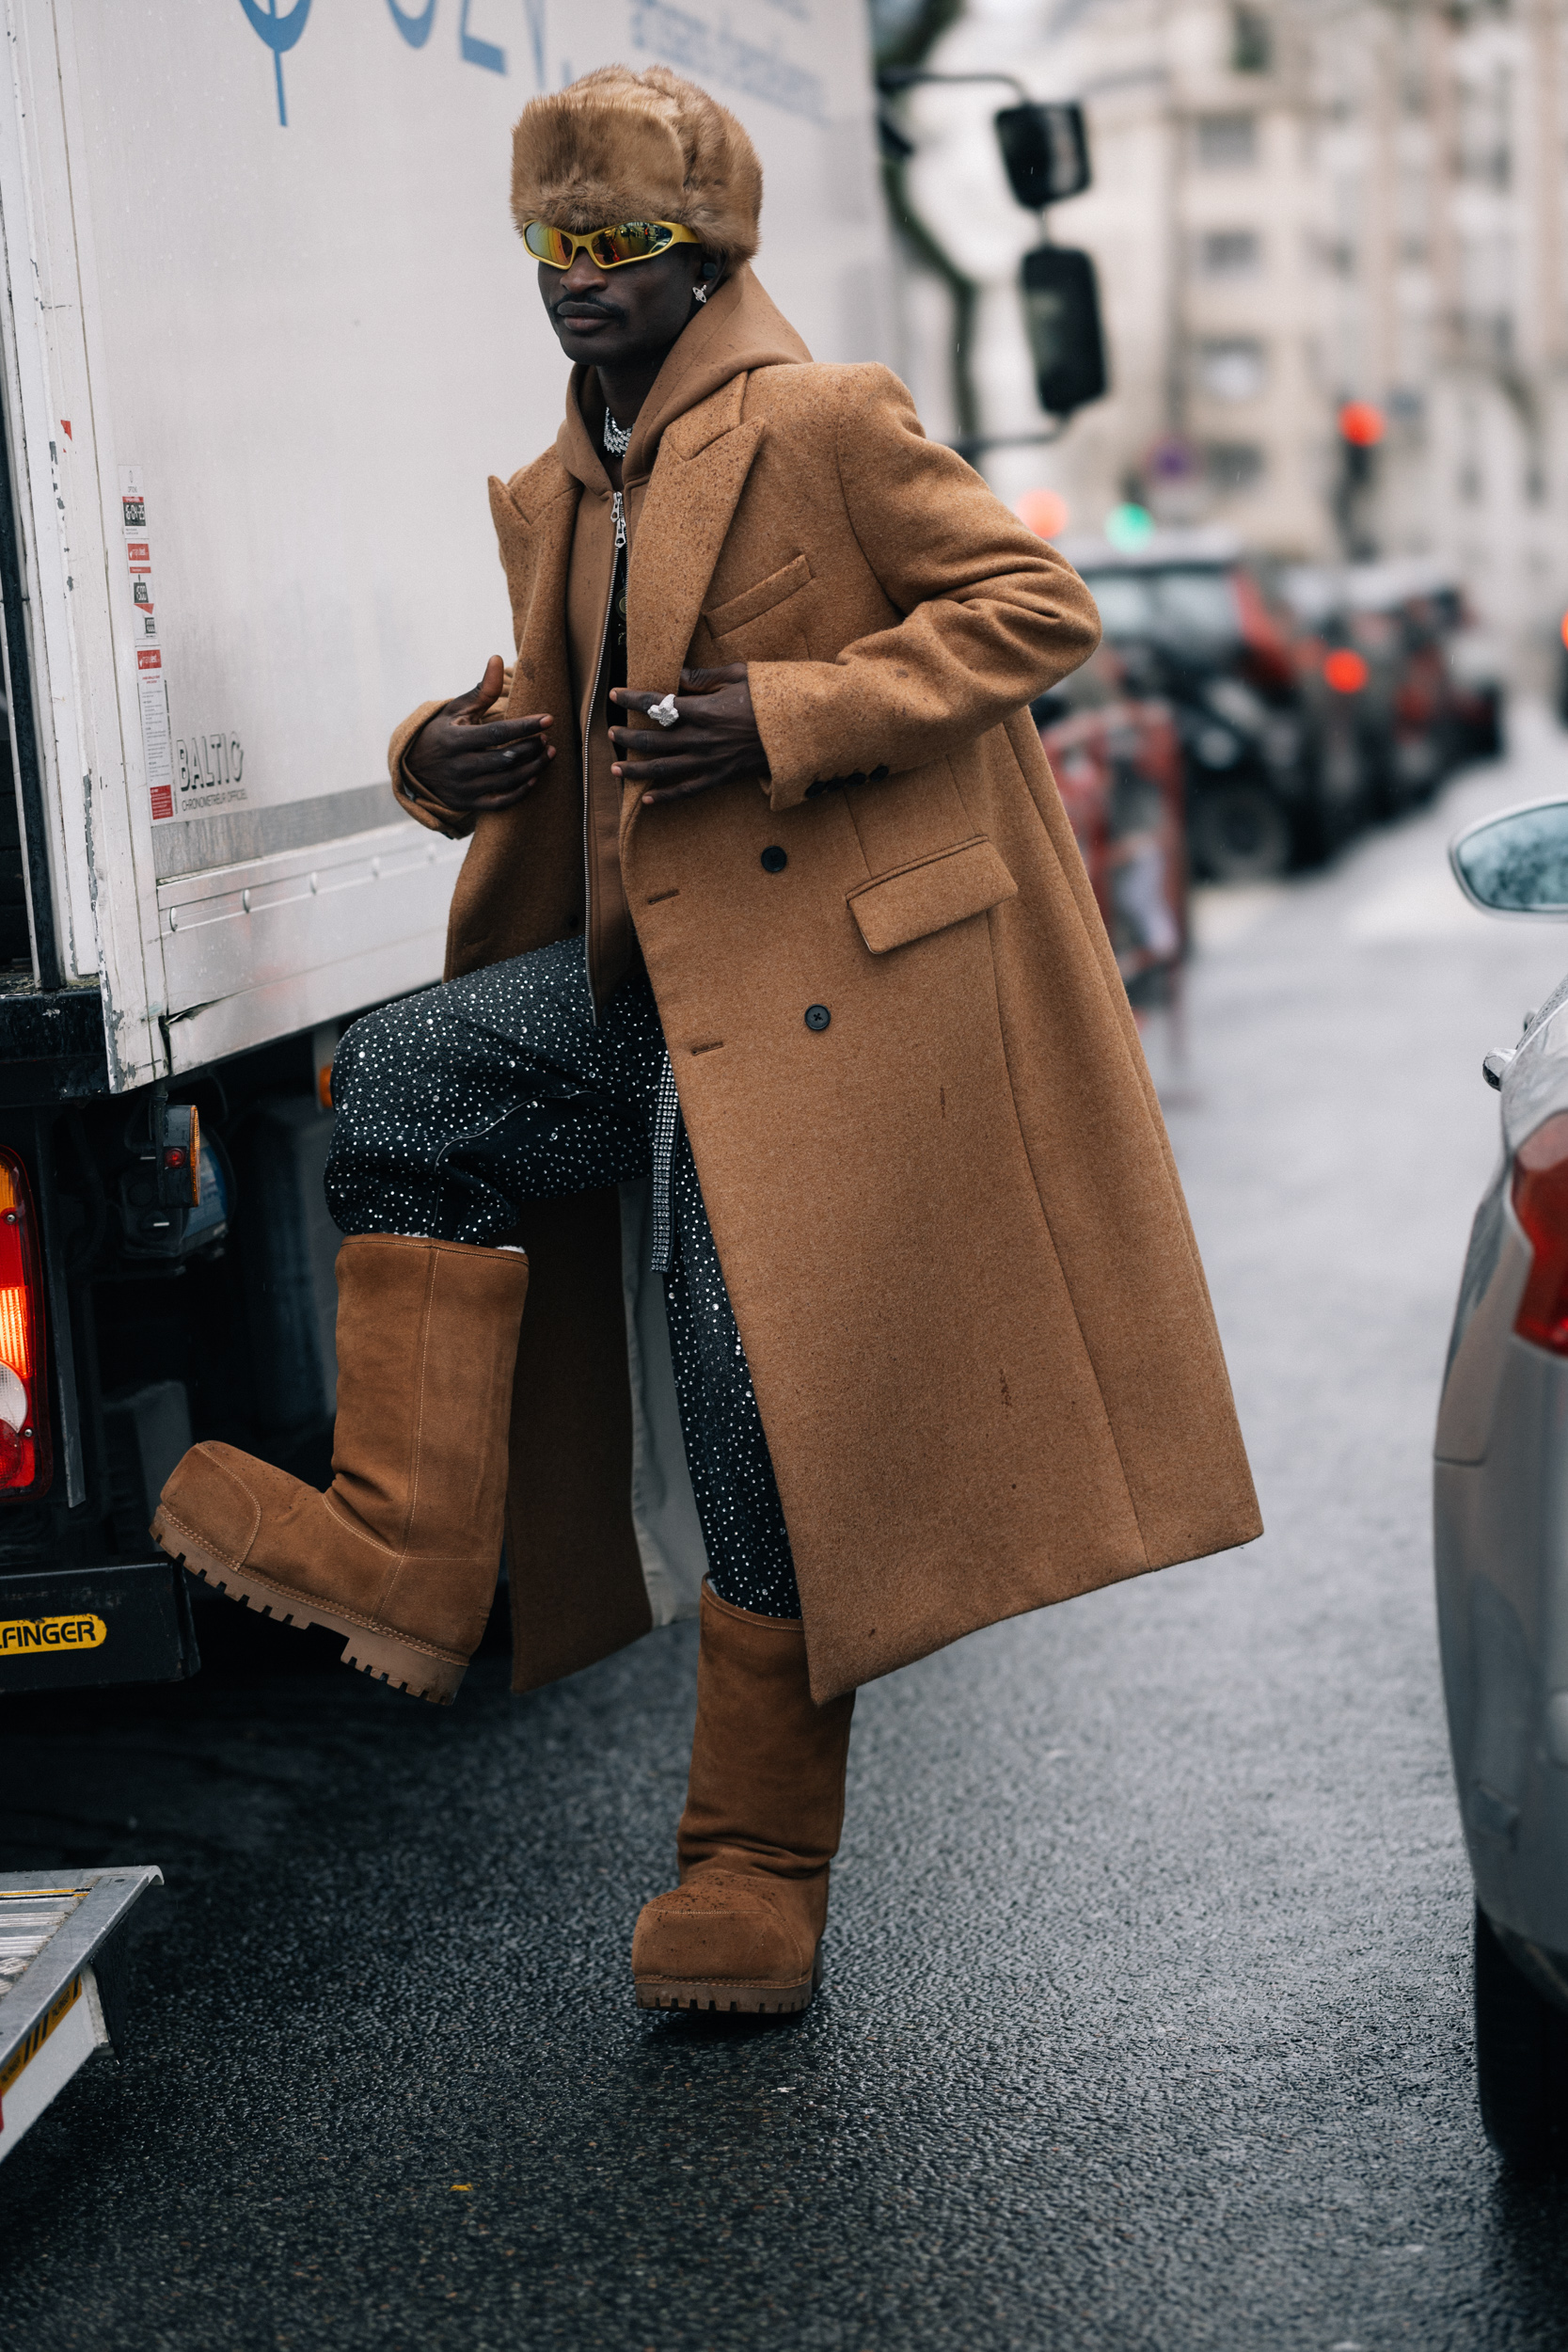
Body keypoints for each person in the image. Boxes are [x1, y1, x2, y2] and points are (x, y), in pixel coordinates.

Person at [153, 65, 1260, 2017]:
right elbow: (545, 697)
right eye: (547, 243)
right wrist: (447, 754)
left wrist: (795, 711)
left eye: (615, 244)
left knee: (754, 1411)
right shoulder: (570, 474)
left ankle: (753, 1870)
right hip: (639, 993)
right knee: (408, 1080)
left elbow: (1035, 606)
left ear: (701, 253)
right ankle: (412, 1548)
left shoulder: (829, 422)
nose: (575, 279)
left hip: (827, 1007)